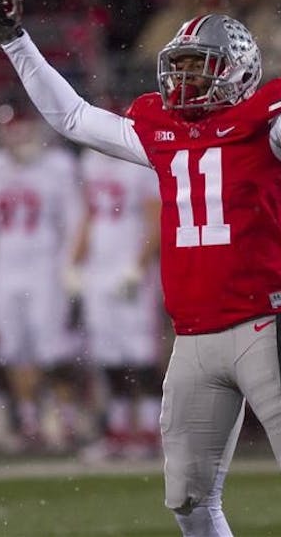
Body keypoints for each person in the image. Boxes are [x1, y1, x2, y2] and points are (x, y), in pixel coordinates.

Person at [0, 0, 281, 536]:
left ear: (238, 71)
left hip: (261, 326)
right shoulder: (163, 132)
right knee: (190, 501)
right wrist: (16, 42)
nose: (184, 79)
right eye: (180, 66)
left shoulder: (272, 127)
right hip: (192, 336)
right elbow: (73, 118)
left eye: (199, 67)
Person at [0, 104, 84, 452]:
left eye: (23, 130)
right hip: (6, 271)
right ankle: (29, 420)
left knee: (53, 349)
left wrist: (72, 266)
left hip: (46, 269)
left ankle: (64, 418)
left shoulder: (58, 167)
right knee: (12, 350)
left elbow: (74, 220)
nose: (17, 138)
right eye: (11, 131)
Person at [70, 140, 164, 461]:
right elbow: (89, 214)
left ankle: (151, 429)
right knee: (108, 353)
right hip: (99, 268)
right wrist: (75, 261)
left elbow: (157, 218)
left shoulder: (139, 160)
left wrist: (139, 265)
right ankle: (118, 429)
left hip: (129, 267)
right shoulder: (89, 161)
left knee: (141, 353)